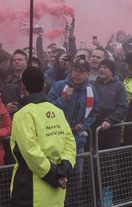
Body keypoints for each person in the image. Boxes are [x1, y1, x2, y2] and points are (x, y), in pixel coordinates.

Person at [9, 67, 75, 206]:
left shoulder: (22, 114)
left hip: (31, 186)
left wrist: (55, 174)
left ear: (22, 86)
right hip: (57, 186)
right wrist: (63, 171)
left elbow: (29, 151)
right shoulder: (57, 111)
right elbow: (70, 144)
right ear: (44, 85)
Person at [46, 58, 97, 205]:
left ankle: (74, 203)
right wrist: (63, 99)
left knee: (76, 179)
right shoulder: (59, 86)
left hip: (77, 142)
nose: (77, 74)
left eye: (81, 71)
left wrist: (85, 125)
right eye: (75, 70)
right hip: (57, 140)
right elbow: (48, 109)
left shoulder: (91, 90)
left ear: (87, 74)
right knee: (57, 177)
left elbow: (94, 112)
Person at [92, 59, 128, 150]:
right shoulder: (94, 84)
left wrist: (110, 120)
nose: (101, 69)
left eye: (105, 67)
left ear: (111, 70)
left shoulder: (119, 86)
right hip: (94, 129)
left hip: (111, 131)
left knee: (109, 159)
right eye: (100, 67)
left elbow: (123, 107)